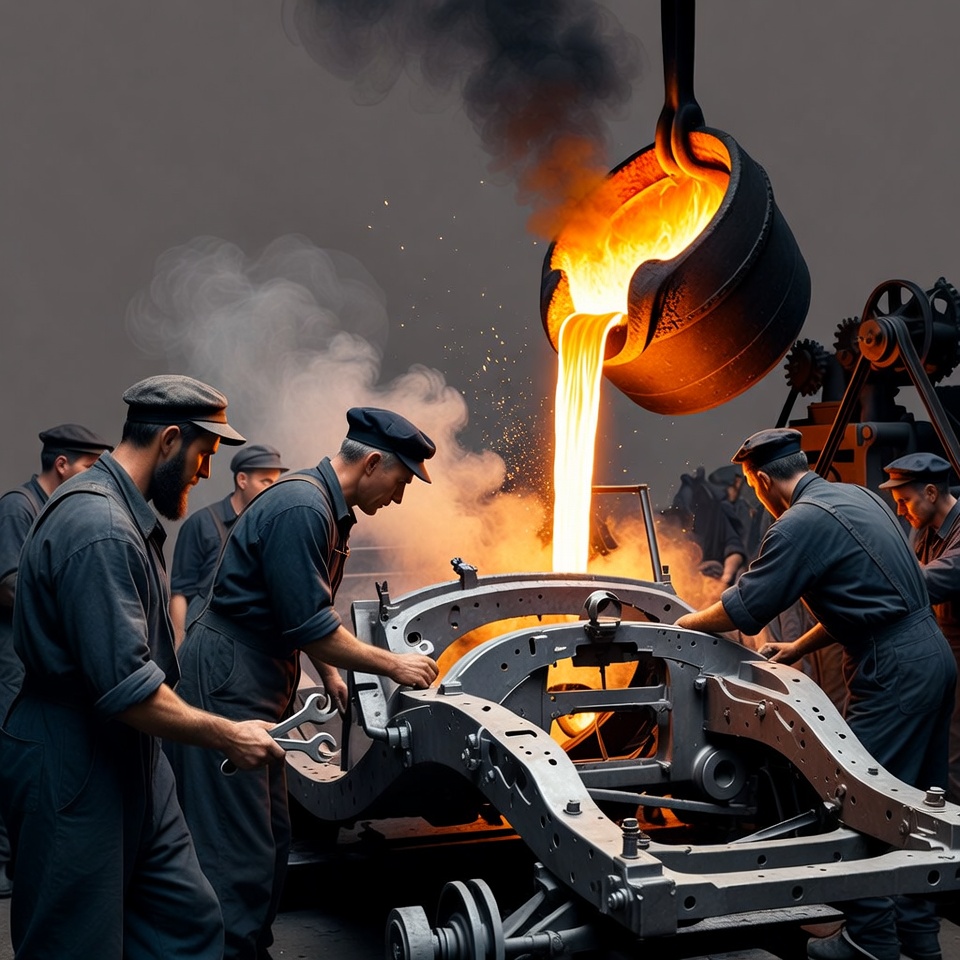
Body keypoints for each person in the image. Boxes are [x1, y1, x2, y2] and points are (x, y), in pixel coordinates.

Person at [0, 375, 285, 960]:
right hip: (73, 755)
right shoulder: (99, 527)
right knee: (74, 940)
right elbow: (125, 690)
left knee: (187, 923)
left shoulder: (124, 516)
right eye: (204, 455)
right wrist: (229, 732)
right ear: (171, 440)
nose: (205, 472)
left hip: (130, 753)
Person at [167, 406, 441, 960]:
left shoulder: (323, 506)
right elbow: (312, 625)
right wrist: (393, 666)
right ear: (371, 463)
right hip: (230, 676)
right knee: (235, 845)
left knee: (271, 836)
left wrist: (330, 672)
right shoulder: (301, 507)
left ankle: (248, 946)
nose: (400, 495)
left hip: (258, 673)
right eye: (402, 479)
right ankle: (227, 951)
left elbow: (301, 608)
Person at [675, 428, 955, 960]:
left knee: (861, 804)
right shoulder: (857, 496)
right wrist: (801, 646)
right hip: (929, 656)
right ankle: (920, 941)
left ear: (760, 481)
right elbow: (871, 596)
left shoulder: (797, 526)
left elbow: (744, 609)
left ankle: (870, 942)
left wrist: (684, 621)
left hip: (892, 671)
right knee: (920, 808)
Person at [0, 422, 113, 899]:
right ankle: (9, 868)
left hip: (36, 660)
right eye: (89, 466)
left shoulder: (55, 510)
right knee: (14, 759)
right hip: (14, 660)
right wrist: (73, 609)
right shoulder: (17, 507)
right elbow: (9, 585)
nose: (96, 477)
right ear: (62, 464)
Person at [880, 452, 960, 804]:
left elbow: (920, 583)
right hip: (942, 649)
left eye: (904, 501)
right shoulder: (924, 531)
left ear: (930, 492)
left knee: (955, 753)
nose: (901, 511)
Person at [170, 442, 288, 643]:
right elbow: (180, 593)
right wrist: (179, 651)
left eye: (275, 483)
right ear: (242, 480)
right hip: (206, 642)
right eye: (266, 482)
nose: (272, 490)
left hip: (256, 645)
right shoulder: (201, 524)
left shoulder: (273, 526)